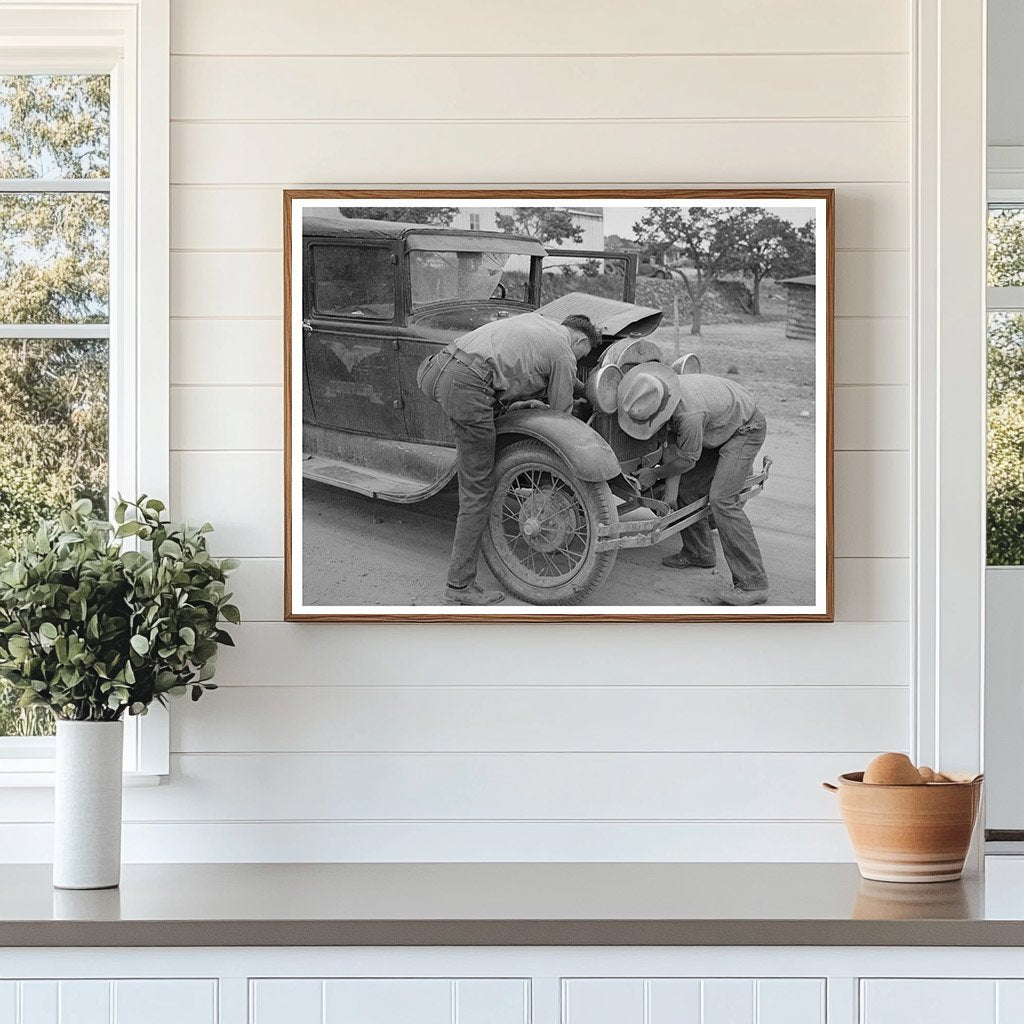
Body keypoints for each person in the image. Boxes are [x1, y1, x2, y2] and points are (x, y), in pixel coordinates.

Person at [418, 311, 601, 606]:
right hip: (467, 385)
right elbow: (560, 418)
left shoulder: (540, 322)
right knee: (478, 491)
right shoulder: (564, 352)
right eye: (583, 354)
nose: (579, 359)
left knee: (487, 437)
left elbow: (513, 364)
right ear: (580, 341)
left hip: (438, 366)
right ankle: (459, 585)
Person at [627, 371, 770, 607]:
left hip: (746, 429)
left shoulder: (688, 416)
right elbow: (676, 454)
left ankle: (753, 584)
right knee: (687, 487)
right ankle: (699, 553)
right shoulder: (663, 391)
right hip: (722, 421)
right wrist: (671, 496)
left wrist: (654, 474)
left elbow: (686, 461)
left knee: (723, 501)